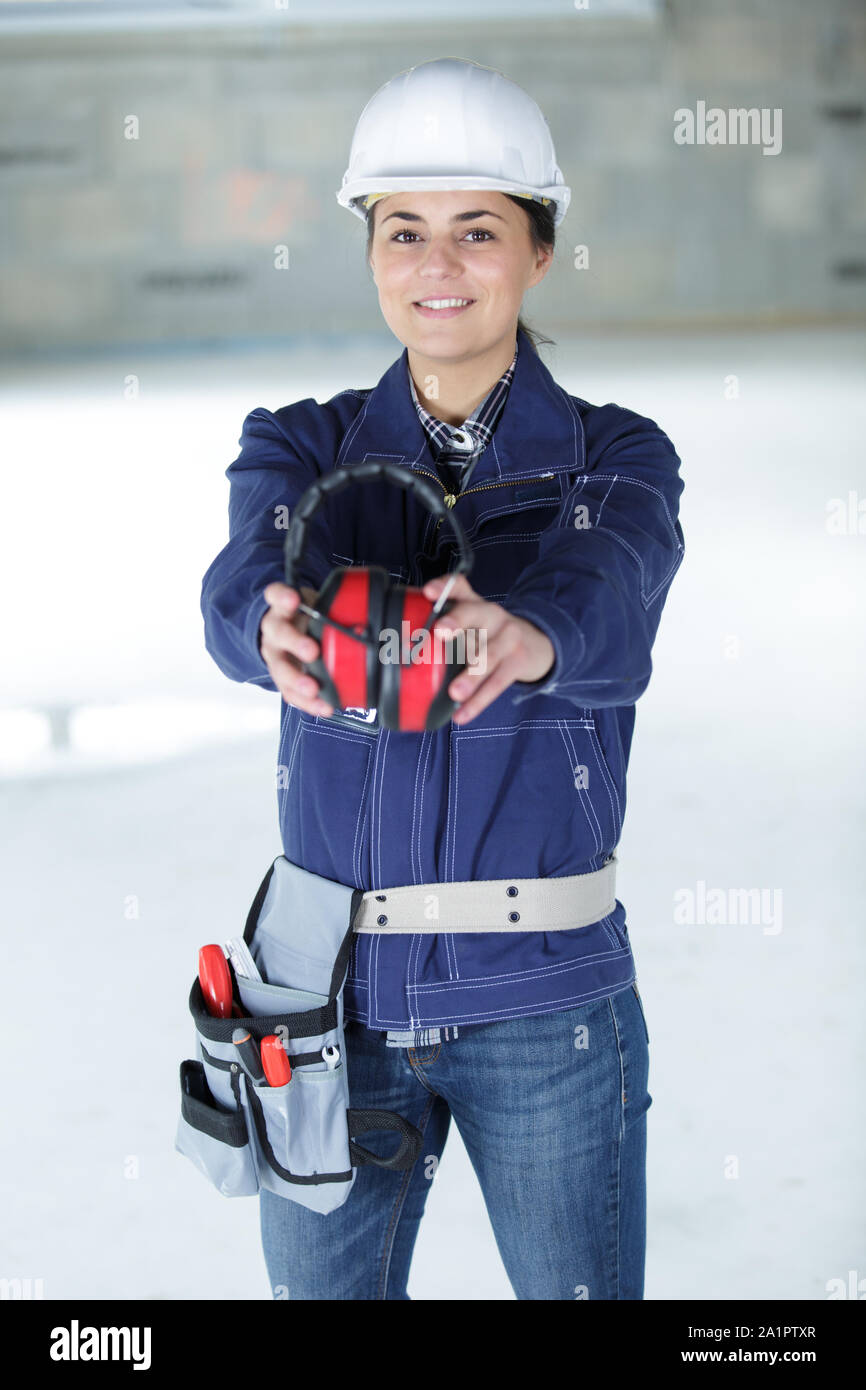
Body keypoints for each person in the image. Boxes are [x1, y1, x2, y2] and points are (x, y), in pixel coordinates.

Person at [201, 57, 685, 1300]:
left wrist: (531, 634)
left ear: (538, 251)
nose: (436, 265)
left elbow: (614, 595)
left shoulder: (614, 461)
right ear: (369, 250)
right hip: (324, 1004)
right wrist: (263, 625)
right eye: (403, 231)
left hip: (545, 1004)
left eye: (478, 232)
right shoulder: (299, 442)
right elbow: (242, 575)